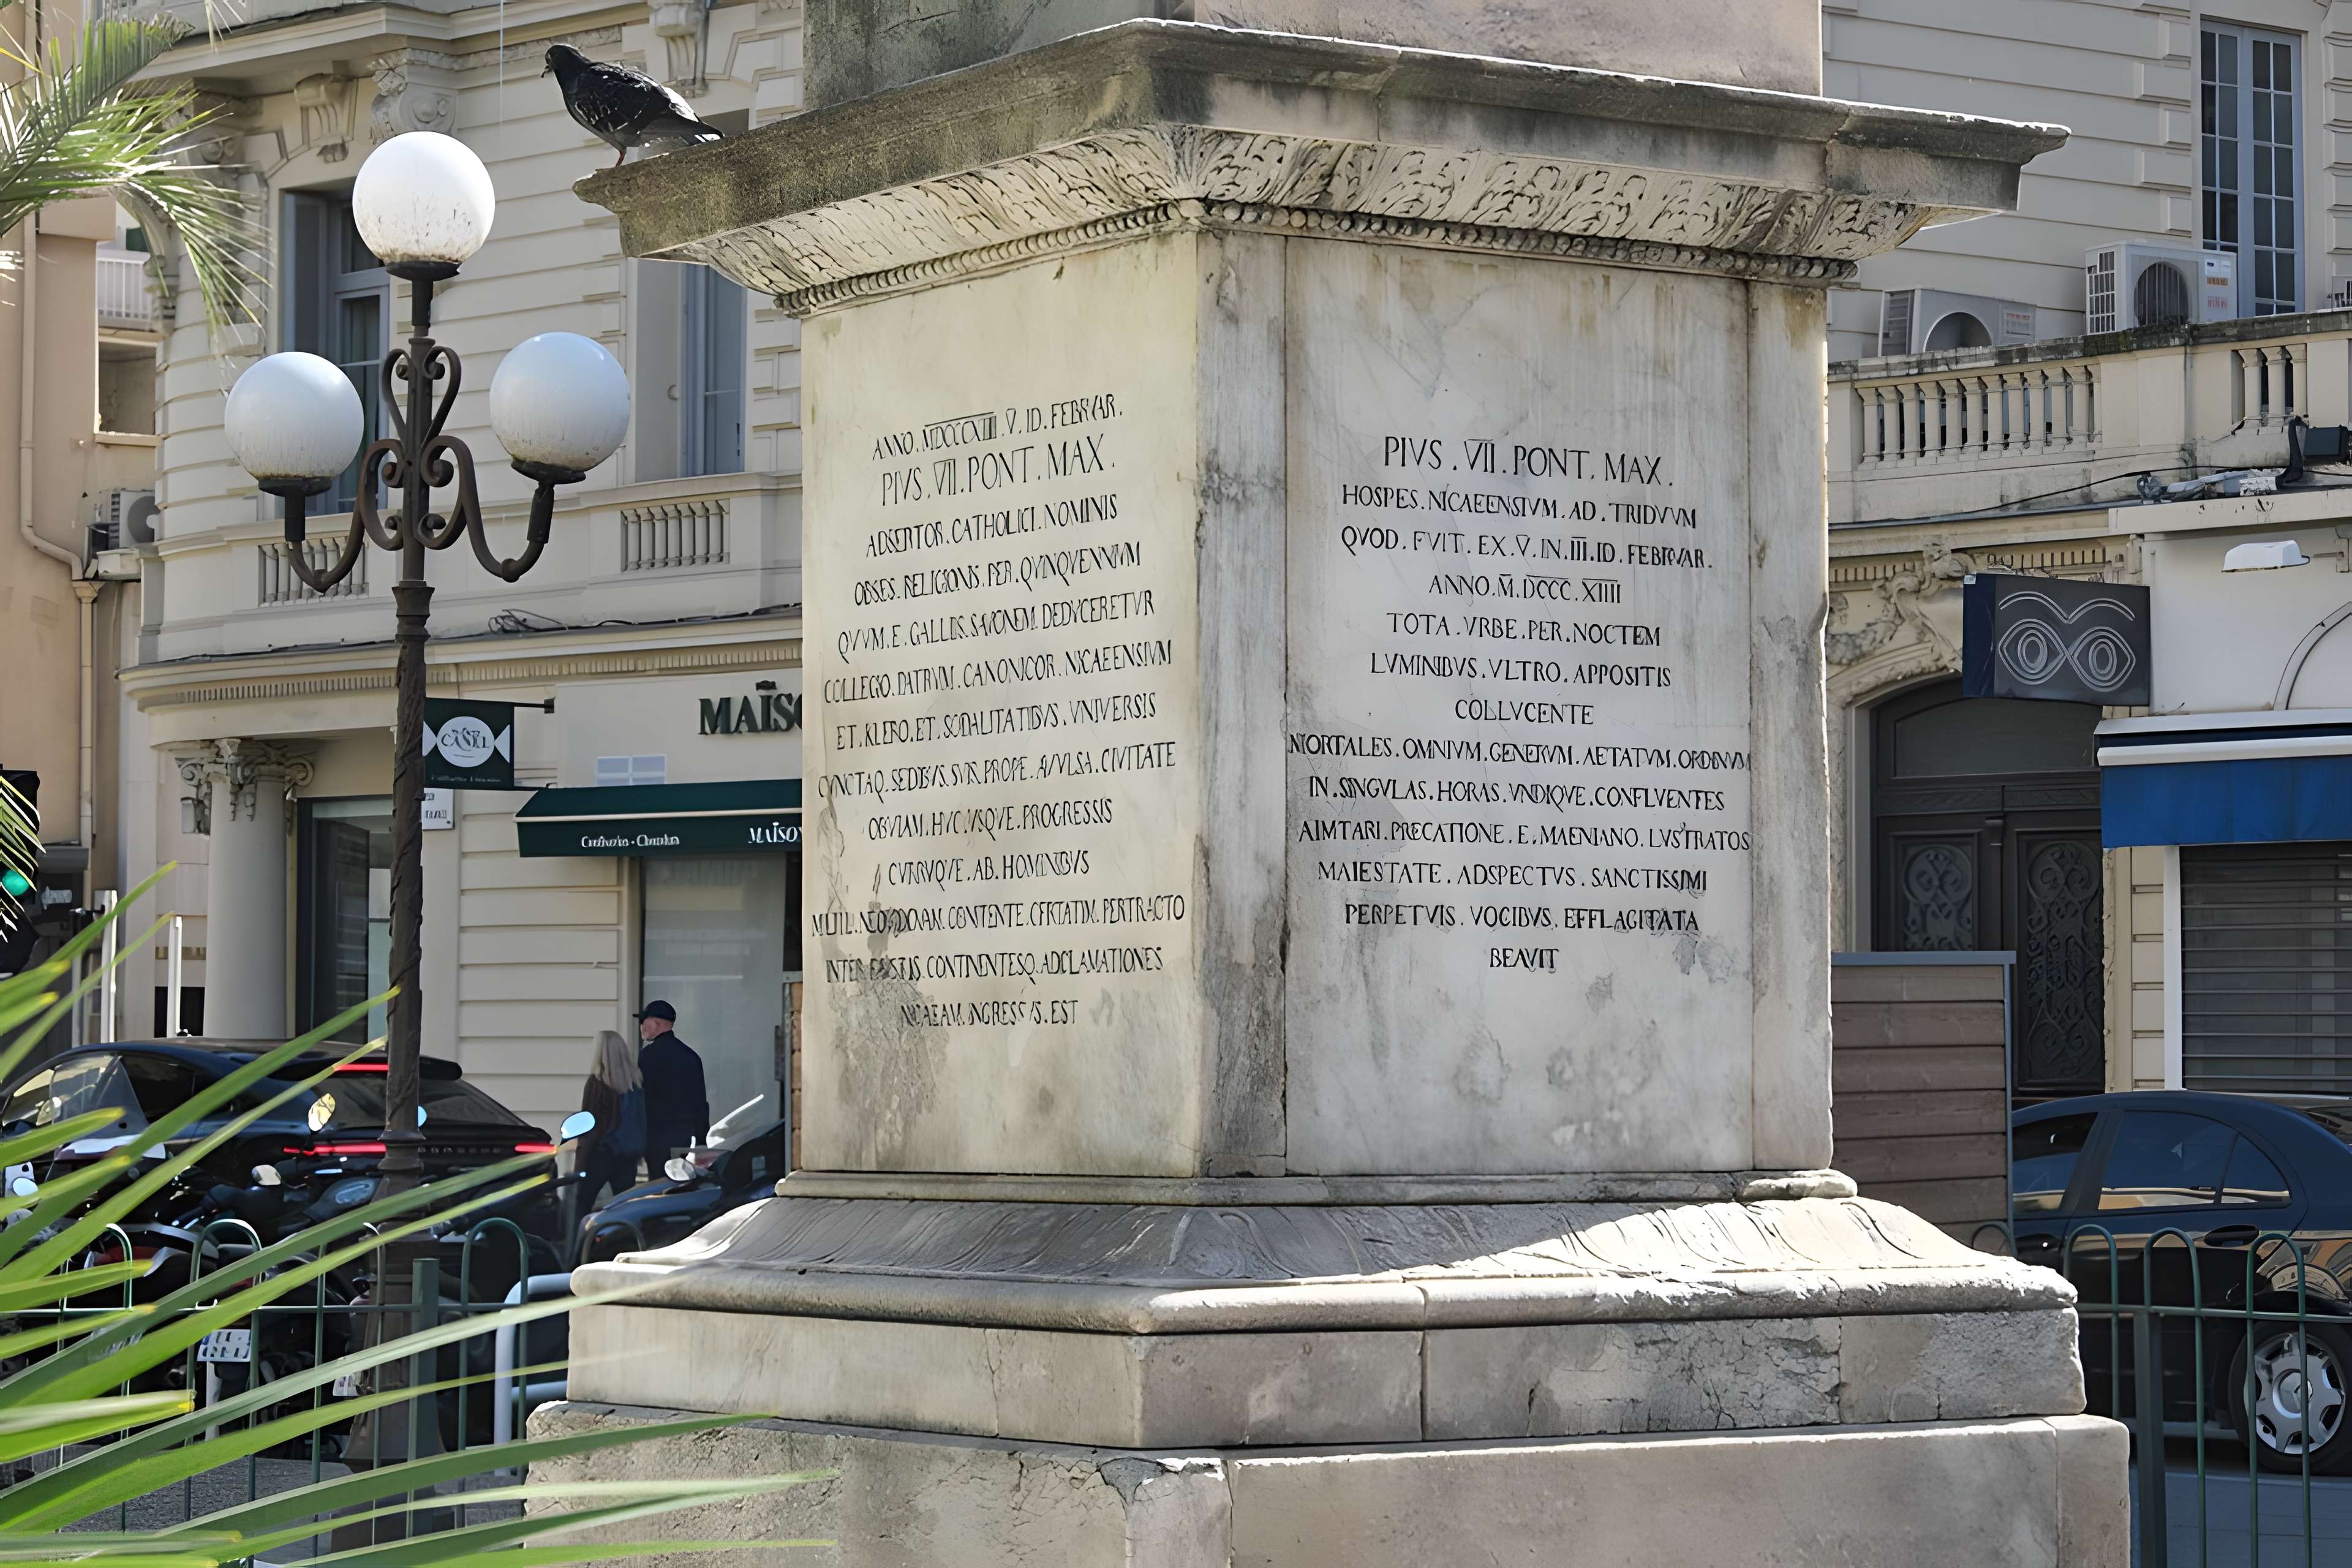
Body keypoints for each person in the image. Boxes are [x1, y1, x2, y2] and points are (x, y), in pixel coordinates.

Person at [576, 1030, 646, 1205]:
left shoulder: (597, 1083)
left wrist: (580, 1163)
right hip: (628, 1155)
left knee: (582, 1202)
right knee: (624, 1205)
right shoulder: (636, 1083)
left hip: (602, 1153)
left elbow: (589, 1124)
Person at [636, 1000, 709, 1165]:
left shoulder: (647, 1056)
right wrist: (701, 1142)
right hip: (682, 1137)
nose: (641, 1027)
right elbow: (700, 1103)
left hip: (654, 1135)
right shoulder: (691, 1057)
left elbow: (640, 1098)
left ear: (655, 1024)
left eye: (643, 1022)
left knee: (657, 1178)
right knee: (677, 1176)